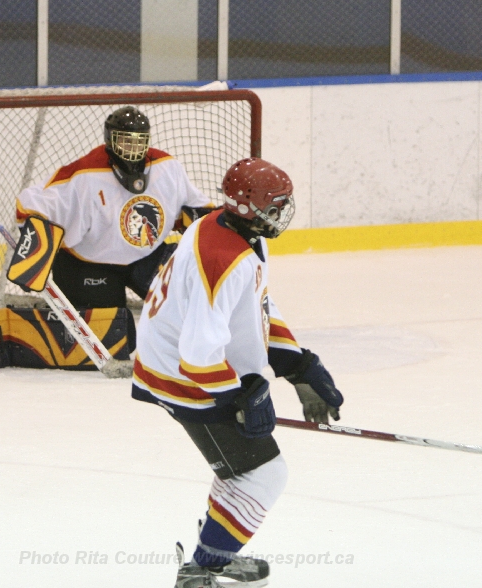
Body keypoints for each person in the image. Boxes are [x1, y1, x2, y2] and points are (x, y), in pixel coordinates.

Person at [131, 158, 344, 588]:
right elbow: (197, 354)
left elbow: (254, 306)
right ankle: (200, 572)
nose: (282, 212)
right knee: (265, 474)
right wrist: (237, 397)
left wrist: (297, 366)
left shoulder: (230, 230)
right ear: (250, 207)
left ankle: (216, 553)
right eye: (275, 204)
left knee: (241, 470)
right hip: (184, 378)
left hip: (185, 364)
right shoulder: (224, 258)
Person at [14, 105, 214, 310]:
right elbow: (30, 204)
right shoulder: (85, 174)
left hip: (146, 258)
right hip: (89, 266)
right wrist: (33, 255)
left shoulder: (167, 167)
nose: (133, 149)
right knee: (113, 328)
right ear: (110, 139)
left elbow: (198, 208)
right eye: (126, 141)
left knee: (187, 306)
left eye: (139, 141)